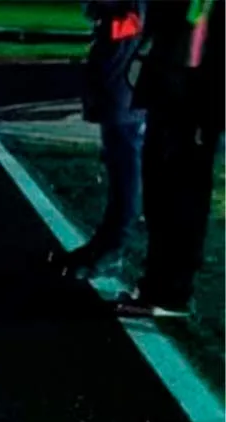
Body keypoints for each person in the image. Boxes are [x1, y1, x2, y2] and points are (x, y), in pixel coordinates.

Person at [117, 0, 221, 319]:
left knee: (180, 194)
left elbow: (194, 33)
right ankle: (159, 286)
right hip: (176, 88)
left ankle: (171, 291)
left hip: (192, 96)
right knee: (163, 191)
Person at [53, 1, 150, 281]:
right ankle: (109, 240)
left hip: (128, 64)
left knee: (125, 156)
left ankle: (115, 244)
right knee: (120, 154)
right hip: (120, 58)